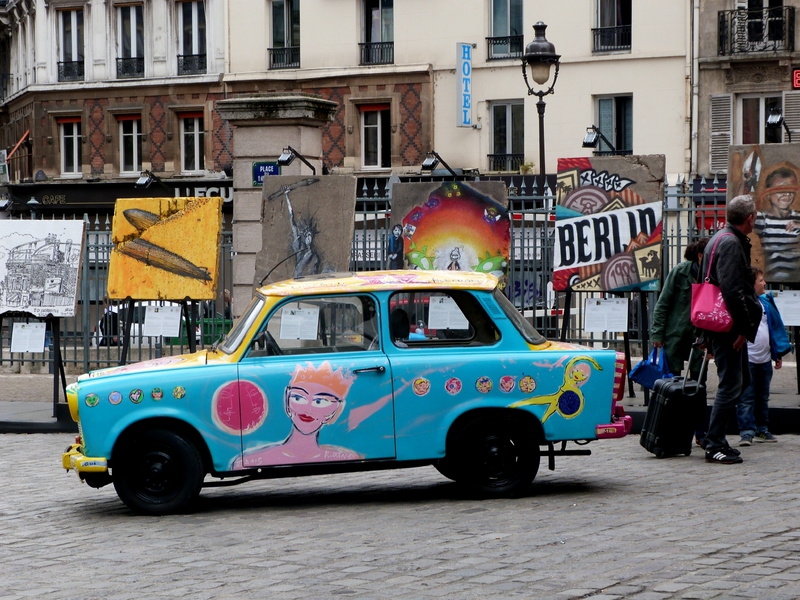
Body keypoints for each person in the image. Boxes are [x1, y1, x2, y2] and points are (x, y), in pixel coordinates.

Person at [698, 195, 763, 464]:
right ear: (750, 218)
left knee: (741, 381)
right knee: (731, 384)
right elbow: (732, 291)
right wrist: (743, 328)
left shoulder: (719, 238)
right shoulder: (731, 243)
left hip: (722, 323)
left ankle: (717, 438)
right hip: (727, 326)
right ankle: (713, 443)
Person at [651, 237, 709, 446]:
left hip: (699, 339)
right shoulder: (680, 272)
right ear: (700, 256)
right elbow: (663, 304)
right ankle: (670, 432)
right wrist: (657, 334)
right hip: (675, 337)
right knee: (672, 386)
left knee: (699, 386)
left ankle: (701, 433)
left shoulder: (712, 276)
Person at [736, 266, 792, 446]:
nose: (764, 283)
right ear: (751, 284)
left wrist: (778, 354)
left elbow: (774, 329)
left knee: (763, 396)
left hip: (764, 360)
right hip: (748, 359)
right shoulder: (743, 303)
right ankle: (746, 431)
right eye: (761, 280)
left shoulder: (766, 303)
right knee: (746, 397)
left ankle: (762, 428)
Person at [754, 167, 800, 282]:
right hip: (771, 282)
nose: (787, 194)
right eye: (780, 190)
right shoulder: (763, 219)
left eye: (791, 190)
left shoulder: (798, 218)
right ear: (768, 194)